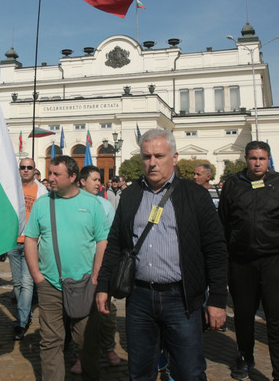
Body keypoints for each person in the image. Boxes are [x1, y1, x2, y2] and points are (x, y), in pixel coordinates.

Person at [96, 129, 228, 381]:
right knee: (140, 371)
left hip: (182, 299)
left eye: (159, 155)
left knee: (189, 372)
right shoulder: (132, 194)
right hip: (140, 298)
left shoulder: (194, 195)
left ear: (174, 157)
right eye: (146, 156)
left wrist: (218, 299)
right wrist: (104, 285)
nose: (152, 162)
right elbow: (116, 244)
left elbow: (216, 249)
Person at [219, 141, 279, 381]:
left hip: (275, 260)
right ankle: (245, 357)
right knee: (243, 316)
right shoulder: (233, 184)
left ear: (268, 159)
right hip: (241, 262)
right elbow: (223, 225)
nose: (257, 163)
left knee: (278, 320)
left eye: (262, 158)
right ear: (246, 159)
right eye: (253, 158)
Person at [25, 155, 109, 381]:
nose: (50, 178)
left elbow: (103, 241)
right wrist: (37, 276)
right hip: (50, 284)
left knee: (86, 341)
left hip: (84, 283)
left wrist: (95, 276)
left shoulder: (92, 203)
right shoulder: (44, 203)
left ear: (73, 177)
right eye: (49, 173)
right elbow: (30, 239)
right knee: (51, 341)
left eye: (56, 174)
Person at [77, 165, 121, 371]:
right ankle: (82, 354)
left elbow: (112, 236)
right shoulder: (71, 203)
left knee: (106, 312)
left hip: (102, 266)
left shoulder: (105, 205)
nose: (98, 183)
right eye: (94, 179)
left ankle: (108, 347)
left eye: (99, 179)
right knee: (81, 315)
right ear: (82, 181)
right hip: (80, 266)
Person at [10, 157, 46, 341]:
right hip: (12, 241)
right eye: (22, 167)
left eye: (29, 167)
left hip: (32, 242)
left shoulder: (42, 190)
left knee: (27, 282)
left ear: (34, 170)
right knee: (17, 283)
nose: (25, 170)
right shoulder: (11, 189)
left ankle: (21, 321)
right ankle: (24, 313)